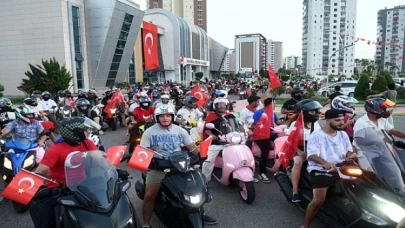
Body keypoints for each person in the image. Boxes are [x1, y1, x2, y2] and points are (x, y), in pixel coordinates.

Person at [140, 105, 217, 227]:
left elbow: (192, 147)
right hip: (159, 166)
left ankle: (200, 213)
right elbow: (143, 151)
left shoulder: (180, 130)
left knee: (197, 187)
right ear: (157, 117)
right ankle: (146, 223)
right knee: (150, 195)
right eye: (162, 116)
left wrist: (202, 154)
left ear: (172, 117)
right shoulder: (149, 132)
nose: (165, 118)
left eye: (167, 116)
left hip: (179, 163)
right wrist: (149, 162)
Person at [31, 117, 101, 227]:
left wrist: (115, 171)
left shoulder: (87, 143)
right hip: (59, 189)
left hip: (83, 185)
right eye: (85, 129)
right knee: (46, 220)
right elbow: (39, 172)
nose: (88, 131)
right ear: (75, 133)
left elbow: (100, 160)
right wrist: (40, 189)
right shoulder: (55, 150)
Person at [301, 109, 356, 228]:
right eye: (337, 120)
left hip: (341, 168)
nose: (341, 123)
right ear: (327, 120)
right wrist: (324, 162)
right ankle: (305, 225)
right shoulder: (317, 135)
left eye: (342, 120)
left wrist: (351, 155)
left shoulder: (343, 134)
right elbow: (311, 155)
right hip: (320, 170)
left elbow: (349, 151)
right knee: (319, 199)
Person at [353, 98, 405, 170]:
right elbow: (359, 141)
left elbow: (394, 131)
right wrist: (377, 140)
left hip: (383, 150)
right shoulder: (361, 123)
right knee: (374, 173)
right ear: (375, 110)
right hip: (367, 153)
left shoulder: (382, 120)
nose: (386, 111)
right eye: (384, 109)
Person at [287, 99, 322, 203]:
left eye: (316, 111)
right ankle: (295, 191)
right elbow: (290, 141)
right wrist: (299, 152)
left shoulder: (316, 124)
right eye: (312, 111)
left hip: (313, 149)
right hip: (299, 149)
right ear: (304, 112)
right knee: (298, 163)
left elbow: (320, 139)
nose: (315, 113)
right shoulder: (295, 124)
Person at [202, 98, 238, 182]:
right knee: (208, 161)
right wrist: (212, 135)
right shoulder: (211, 116)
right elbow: (207, 129)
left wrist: (243, 132)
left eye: (224, 104)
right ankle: (205, 180)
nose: (222, 106)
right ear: (215, 106)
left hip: (230, 141)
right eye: (219, 104)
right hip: (216, 143)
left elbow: (237, 126)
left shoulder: (230, 115)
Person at [251, 97, 282, 183]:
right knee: (265, 151)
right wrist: (264, 128)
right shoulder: (258, 113)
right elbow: (254, 126)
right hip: (260, 135)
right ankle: (261, 172)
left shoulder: (272, 113)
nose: (275, 106)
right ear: (269, 104)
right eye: (274, 104)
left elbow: (279, 123)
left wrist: (291, 119)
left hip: (272, 134)